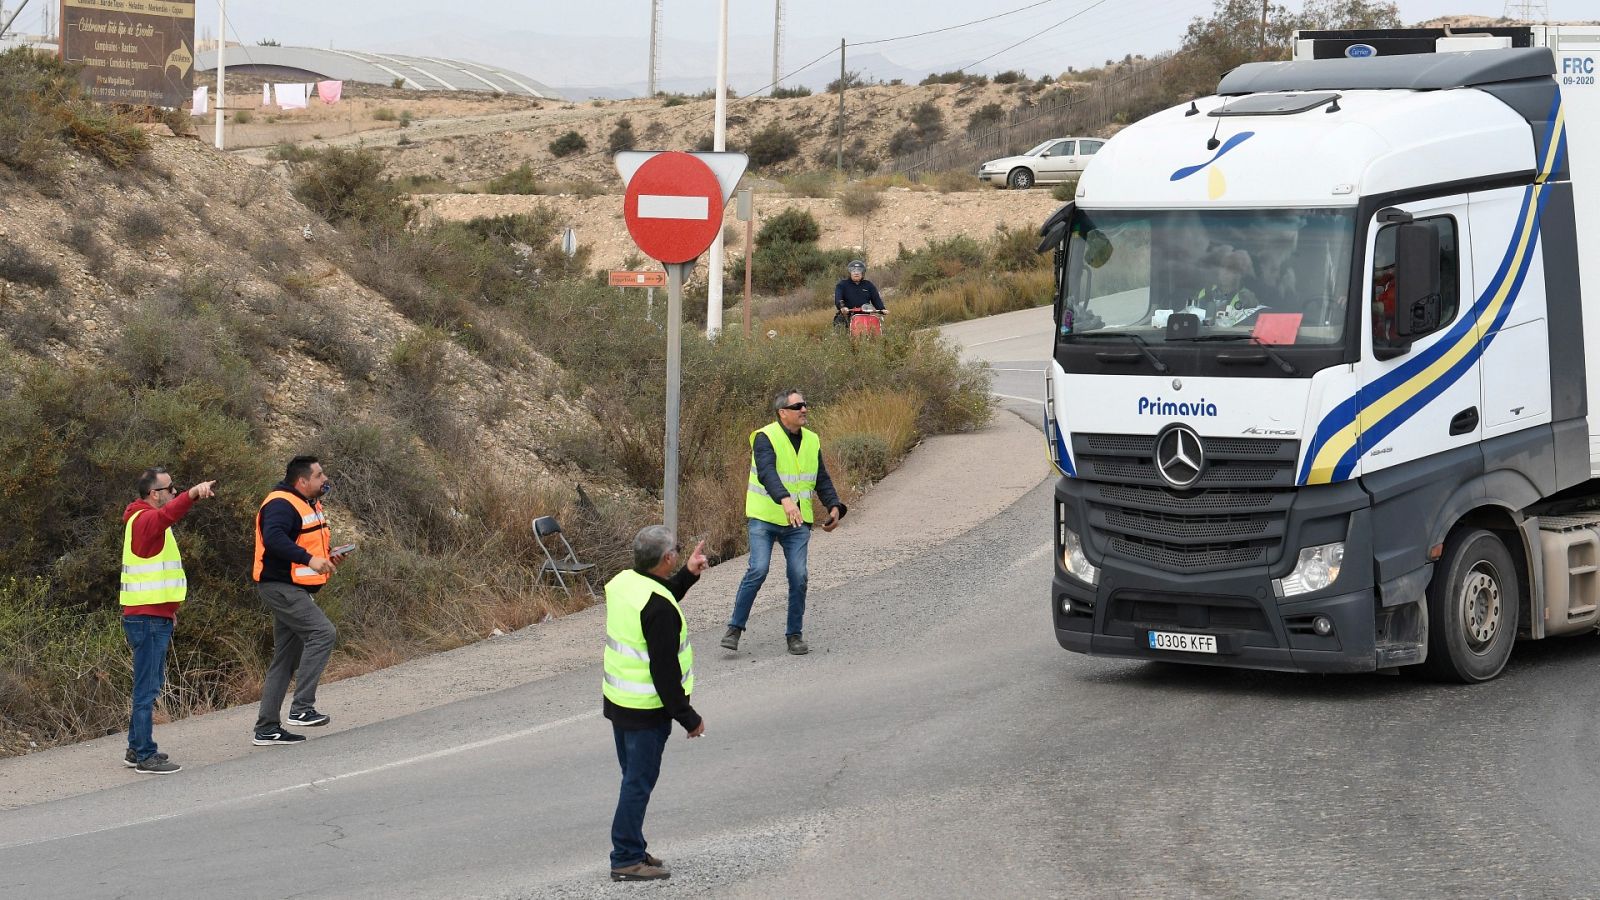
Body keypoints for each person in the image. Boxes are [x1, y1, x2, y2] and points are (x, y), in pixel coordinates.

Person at [603, 525, 709, 882]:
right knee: (638, 783)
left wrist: (687, 576)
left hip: (620, 703)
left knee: (632, 779)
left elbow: (655, 602)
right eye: (677, 551)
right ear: (667, 558)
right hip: (647, 710)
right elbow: (665, 672)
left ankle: (633, 846)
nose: (679, 553)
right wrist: (688, 717)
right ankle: (626, 857)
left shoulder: (624, 584)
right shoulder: (659, 607)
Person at [721, 389, 845, 655]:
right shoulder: (766, 437)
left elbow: (821, 478)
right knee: (758, 570)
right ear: (782, 412)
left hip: (798, 523)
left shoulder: (812, 440)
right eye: (798, 405)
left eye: (805, 404)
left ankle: (794, 635)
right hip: (765, 517)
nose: (804, 409)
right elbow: (766, 472)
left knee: (799, 576)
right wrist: (785, 500)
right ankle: (734, 628)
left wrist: (834, 506)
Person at [120, 467, 216, 775]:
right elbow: (168, 515)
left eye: (176, 489)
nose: (174, 492)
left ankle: (136, 749)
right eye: (170, 489)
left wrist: (168, 609)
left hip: (152, 616)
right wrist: (192, 495)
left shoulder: (143, 520)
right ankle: (145, 754)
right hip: (147, 620)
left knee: (147, 685)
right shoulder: (147, 520)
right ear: (154, 494)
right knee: (147, 689)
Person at [251, 455, 345, 746]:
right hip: (280, 587)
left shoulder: (308, 502)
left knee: (286, 659)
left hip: (291, 586)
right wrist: (310, 560)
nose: (324, 479)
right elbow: (275, 539)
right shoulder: (281, 503)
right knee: (322, 633)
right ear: (302, 481)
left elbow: (305, 543)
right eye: (319, 476)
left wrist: (328, 556)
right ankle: (302, 709)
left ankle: (267, 728)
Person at [833, 259, 886, 324]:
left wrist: (882, 309)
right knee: (840, 326)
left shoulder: (868, 285)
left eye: (859, 270)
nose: (856, 273)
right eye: (853, 271)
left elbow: (876, 299)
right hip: (846, 316)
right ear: (850, 273)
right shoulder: (842, 284)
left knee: (873, 330)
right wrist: (842, 307)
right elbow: (838, 298)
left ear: (862, 273)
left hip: (865, 316)